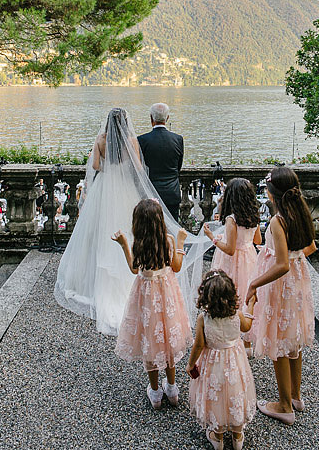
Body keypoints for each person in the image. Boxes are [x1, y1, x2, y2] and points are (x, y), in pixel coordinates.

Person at [54, 108, 209, 336]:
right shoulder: (131, 141)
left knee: (99, 231)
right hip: (125, 186)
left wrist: (108, 166)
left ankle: (95, 279)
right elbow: (138, 168)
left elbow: (95, 166)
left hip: (105, 187)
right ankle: (132, 272)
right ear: (126, 123)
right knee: (131, 227)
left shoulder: (100, 139)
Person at [245, 166, 317, 425]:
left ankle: (284, 406)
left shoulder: (278, 220)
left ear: (272, 194)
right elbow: (310, 247)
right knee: (293, 339)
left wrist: (255, 282)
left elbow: (282, 264)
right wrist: (293, 258)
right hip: (298, 283)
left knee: (278, 341)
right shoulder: (301, 212)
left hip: (282, 285)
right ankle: (296, 396)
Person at [112, 199, 191, 409]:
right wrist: (181, 241)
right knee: (167, 339)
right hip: (166, 296)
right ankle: (172, 388)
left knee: (151, 341)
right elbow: (176, 266)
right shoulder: (168, 240)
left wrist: (123, 245)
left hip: (147, 298)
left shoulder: (139, 243)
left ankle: (155, 392)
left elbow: (133, 268)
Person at [187, 270, 256, 450]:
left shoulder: (204, 319)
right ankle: (237, 435)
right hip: (235, 361)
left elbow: (199, 345)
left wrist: (190, 363)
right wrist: (251, 305)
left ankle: (217, 437)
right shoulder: (236, 314)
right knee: (235, 391)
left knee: (215, 395)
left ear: (206, 296)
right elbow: (247, 326)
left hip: (213, 364)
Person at [203, 178, 263, 317]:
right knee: (245, 287)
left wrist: (212, 237)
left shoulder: (232, 219)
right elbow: (257, 239)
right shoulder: (254, 215)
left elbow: (230, 250)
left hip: (233, 260)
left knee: (230, 289)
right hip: (249, 256)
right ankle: (245, 320)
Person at [137, 103, 184, 221]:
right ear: (167, 118)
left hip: (150, 193)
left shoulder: (142, 140)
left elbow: (140, 167)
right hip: (172, 193)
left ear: (151, 118)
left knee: (150, 229)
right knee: (172, 229)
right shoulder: (178, 139)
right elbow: (178, 166)